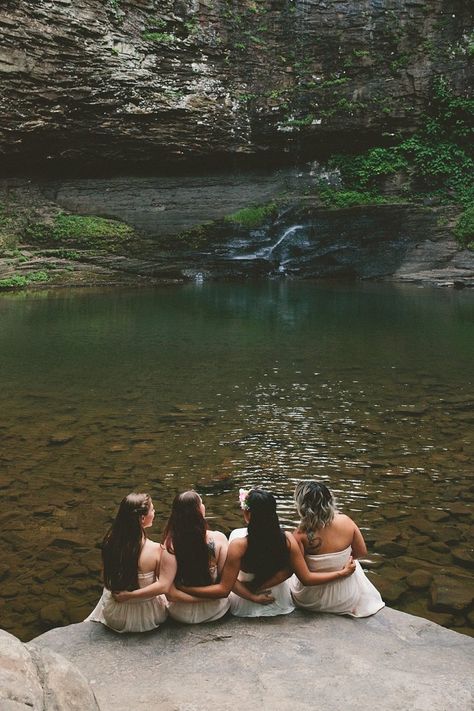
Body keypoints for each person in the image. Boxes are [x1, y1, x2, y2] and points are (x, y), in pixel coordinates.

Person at [178, 488, 356, 618]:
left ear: (247, 515)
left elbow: (227, 585)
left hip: (245, 606)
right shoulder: (287, 539)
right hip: (280, 602)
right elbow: (292, 571)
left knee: (235, 537)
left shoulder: (238, 545)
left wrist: (252, 596)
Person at [114, 491, 231, 624]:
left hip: (181, 614)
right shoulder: (219, 539)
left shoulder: (170, 545)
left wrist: (187, 590)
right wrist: (211, 599)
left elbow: (171, 595)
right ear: (198, 510)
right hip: (216, 610)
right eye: (202, 503)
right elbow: (224, 586)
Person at [289, 481, 384, 617]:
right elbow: (361, 552)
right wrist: (342, 569)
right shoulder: (346, 521)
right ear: (330, 501)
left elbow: (306, 579)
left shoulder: (299, 535)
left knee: (292, 568)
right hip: (345, 598)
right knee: (352, 561)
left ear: (301, 506)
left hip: (311, 601)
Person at [86, 492, 176, 632]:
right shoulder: (155, 549)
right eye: (152, 509)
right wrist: (131, 595)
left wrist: (126, 595)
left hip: (116, 616)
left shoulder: (110, 543)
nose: (154, 512)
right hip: (150, 616)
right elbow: (163, 586)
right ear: (142, 518)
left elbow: (107, 577)